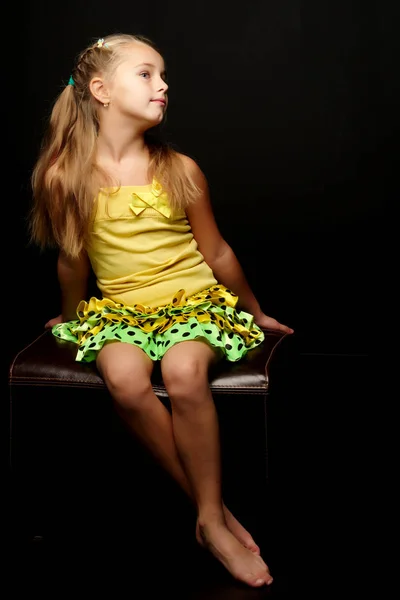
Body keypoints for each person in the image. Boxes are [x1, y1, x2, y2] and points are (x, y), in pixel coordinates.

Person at [29, 32, 293, 587]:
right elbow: (73, 264)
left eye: (163, 75)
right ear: (99, 90)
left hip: (191, 302)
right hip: (122, 310)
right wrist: (70, 312)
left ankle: (207, 520)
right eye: (146, 74)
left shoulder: (180, 170)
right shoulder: (66, 178)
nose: (163, 85)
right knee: (125, 379)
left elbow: (217, 251)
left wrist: (257, 311)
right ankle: (214, 513)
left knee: (181, 370)